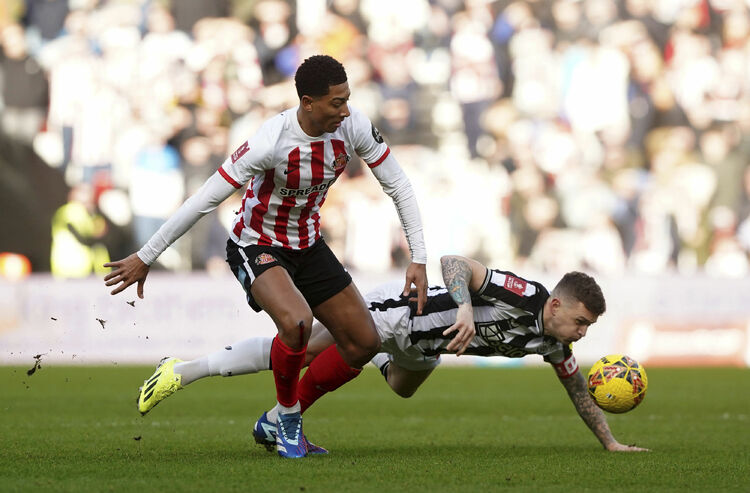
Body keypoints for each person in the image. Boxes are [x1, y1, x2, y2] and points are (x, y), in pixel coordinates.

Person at [103, 55, 428, 458]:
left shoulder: (354, 126)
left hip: (308, 244)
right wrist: (146, 255)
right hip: (255, 243)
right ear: (307, 102)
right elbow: (204, 199)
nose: (344, 110)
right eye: (335, 103)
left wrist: (419, 257)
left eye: (347, 100)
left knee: (362, 343)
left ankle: (268, 415)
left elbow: (399, 185)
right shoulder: (270, 141)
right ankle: (289, 421)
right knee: (296, 324)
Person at [138, 255, 648, 453]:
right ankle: (182, 370)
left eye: (588, 327)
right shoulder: (526, 294)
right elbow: (455, 264)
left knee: (400, 387)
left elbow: (578, 389)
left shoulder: (554, 341)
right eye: (580, 321)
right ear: (557, 304)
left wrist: (611, 443)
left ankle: (375, 359)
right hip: (400, 313)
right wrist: (466, 308)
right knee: (296, 345)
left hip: (421, 350)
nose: (581, 333)